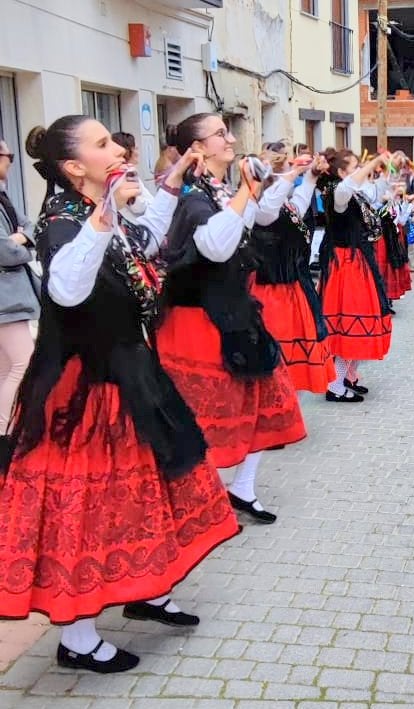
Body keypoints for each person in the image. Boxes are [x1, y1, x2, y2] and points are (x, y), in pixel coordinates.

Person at [0, 115, 238, 673]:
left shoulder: (105, 210)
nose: (119, 149)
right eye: (102, 144)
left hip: (129, 371)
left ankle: (147, 589)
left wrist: (171, 180)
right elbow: (65, 287)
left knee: (146, 489)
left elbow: (149, 238)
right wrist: (106, 214)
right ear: (73, 168)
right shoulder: (64, 219)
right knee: (82, 510)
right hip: (84, 389)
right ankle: (77, 639)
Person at [157, 113, 307, 526]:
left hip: (233, 310)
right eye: (220, 133)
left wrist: (275, 183)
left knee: (263, 399)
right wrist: (246, 191)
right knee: (205, 417)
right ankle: (191, 503)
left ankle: (242, 486)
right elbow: (216, 247)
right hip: (199, 321)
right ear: (198, 149)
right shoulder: (190, 196)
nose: (230, 138)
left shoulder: (216, 189)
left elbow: (258, 220)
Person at [250, 147, 336, 394]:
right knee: (277, 353)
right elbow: (267, 211)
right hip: (272, 290)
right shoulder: (261, 207)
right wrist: (289, 175)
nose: (293, 170)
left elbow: (300, 200)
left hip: (293, 286)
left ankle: (286, 405)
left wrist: (311, 177)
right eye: (288, 166)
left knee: (293, 358)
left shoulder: (285, 205)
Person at [319, 150, 395, 401]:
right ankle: (335, 385)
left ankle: (347, 377)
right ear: (341, 173)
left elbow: (372, 192)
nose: (360, 170)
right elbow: (349, 186)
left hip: (357, 261)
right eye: (354, 167)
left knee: (365, 319)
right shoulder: (337, 193)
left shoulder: (352, 194)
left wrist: (386, 170)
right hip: (346, 265)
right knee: (350, 323)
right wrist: (374, 162)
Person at [0, 140, 39, 433]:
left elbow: (30, 226)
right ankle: (5, 430)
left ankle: (6, 428)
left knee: (6, 367)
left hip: (11, 294)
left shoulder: (4, 197)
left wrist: (21, 237)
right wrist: (22, 244)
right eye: (7, 155)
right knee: (23, 363)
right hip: (6, 298)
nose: (11, 161)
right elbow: (4, 250)